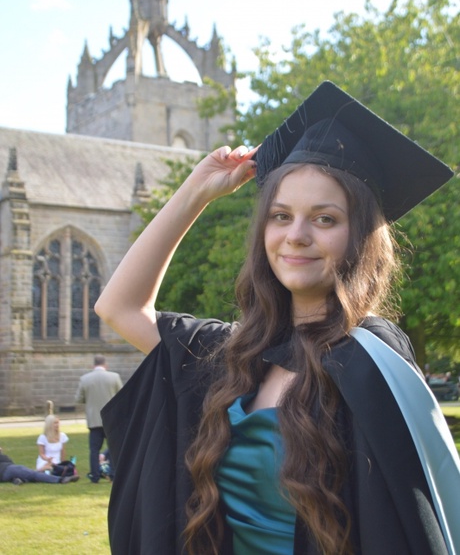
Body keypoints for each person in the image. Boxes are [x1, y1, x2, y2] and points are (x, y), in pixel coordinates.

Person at [96, 81, 460, 555]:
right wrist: (197, 192)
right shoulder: (233, 356)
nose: (296, 235)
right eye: (281, 215)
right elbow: (119, 307)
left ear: (361, 237)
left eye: (325, 219)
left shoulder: (373, 362)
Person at [75, 354, 122, 483]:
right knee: (113, 447)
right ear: (105, 364)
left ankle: (95, 476)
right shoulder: (114, 377)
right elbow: (122, 395)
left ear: (93, 365)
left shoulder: (85, 379)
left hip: (94, 419)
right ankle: (113, 474)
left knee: (94, 450)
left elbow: (78, 399)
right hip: (111, 419)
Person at [0, 447, 79, 485]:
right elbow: (8, 461)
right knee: (32, 474)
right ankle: (61, 479)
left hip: (7, 472)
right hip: (8, 469)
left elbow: (8, 461)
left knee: (28, 473)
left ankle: (18, 480)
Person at [36, 402, 69, 471]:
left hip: (56, 461)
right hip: (45, 460)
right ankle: (40, 471)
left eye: (58, 423)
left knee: (57, 468)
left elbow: (63, 452)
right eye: (55, 423)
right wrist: (47, 459)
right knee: (47, 466)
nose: (57, 425)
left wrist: (63, 463)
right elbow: (42, 454)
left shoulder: (62, 436)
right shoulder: (42, 437)